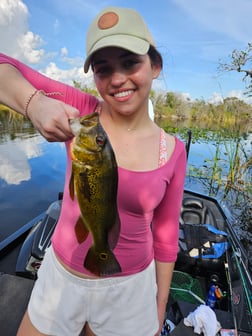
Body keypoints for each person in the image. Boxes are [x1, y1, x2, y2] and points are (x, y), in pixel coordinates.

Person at [0, 6, 186, 336]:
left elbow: (167, 234)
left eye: (130, 62)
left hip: (130, 290)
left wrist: (158, 310)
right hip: (62, 277)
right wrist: (35, 103)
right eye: (103, 69)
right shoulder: (83, 114)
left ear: (155, 65)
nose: (117, 79)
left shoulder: (173, 149)